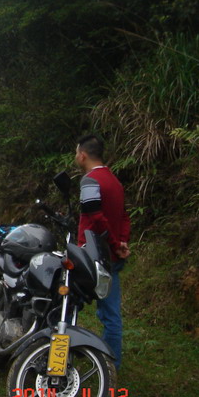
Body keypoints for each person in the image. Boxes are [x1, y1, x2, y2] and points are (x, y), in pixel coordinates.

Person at [75, 134, 131, 369]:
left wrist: (114, 242)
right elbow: (124, 216)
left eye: (76, 153)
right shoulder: (114, 181)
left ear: (83, 155)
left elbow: (96, 218)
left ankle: (55, 350)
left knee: (65, 303)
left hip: (92, 256)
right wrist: (122, 242)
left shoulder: (90, 181)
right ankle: (111, 367)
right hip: (112, 257)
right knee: (111, 315)